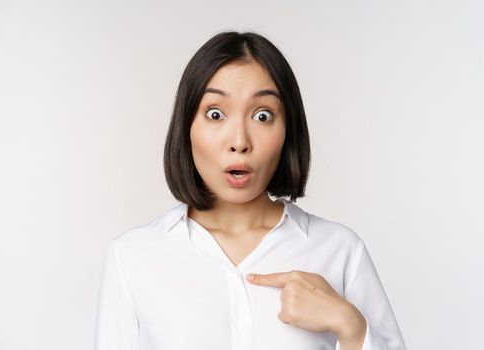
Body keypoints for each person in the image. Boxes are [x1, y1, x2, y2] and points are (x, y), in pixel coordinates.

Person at [95, 31, 406, 350]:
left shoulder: (340, 251)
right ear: (186, 126)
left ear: (288, 130)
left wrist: (352, 328)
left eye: (263, 115)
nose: (240, 142)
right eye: (215, 114)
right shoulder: (133, 256)